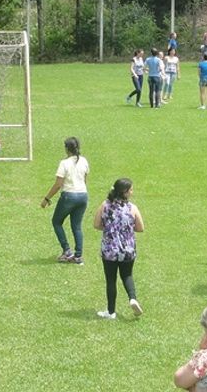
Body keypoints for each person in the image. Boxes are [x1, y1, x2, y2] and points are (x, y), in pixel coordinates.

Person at [93, 178, 144, 319]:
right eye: (131, 189)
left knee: (111, 280)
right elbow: (140, 228)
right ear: (124, 192)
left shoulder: (105, 205)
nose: (132, 192)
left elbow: (96, 224)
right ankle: (132, 298)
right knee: (127, 275)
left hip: (109, 249)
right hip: (128, 249)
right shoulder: (132, 208)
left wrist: (110, 229)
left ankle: (111, 312)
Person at [41, 137, 90, 265]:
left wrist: (46, 199)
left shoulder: (64, 163)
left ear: (67, 148)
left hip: (69, 196)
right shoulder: (84, 161)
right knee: (77, 226)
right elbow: (85, 180)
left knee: (56, 222)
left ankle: (67, 251)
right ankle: (78, 256)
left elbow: (58, 184)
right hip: (83, 196)